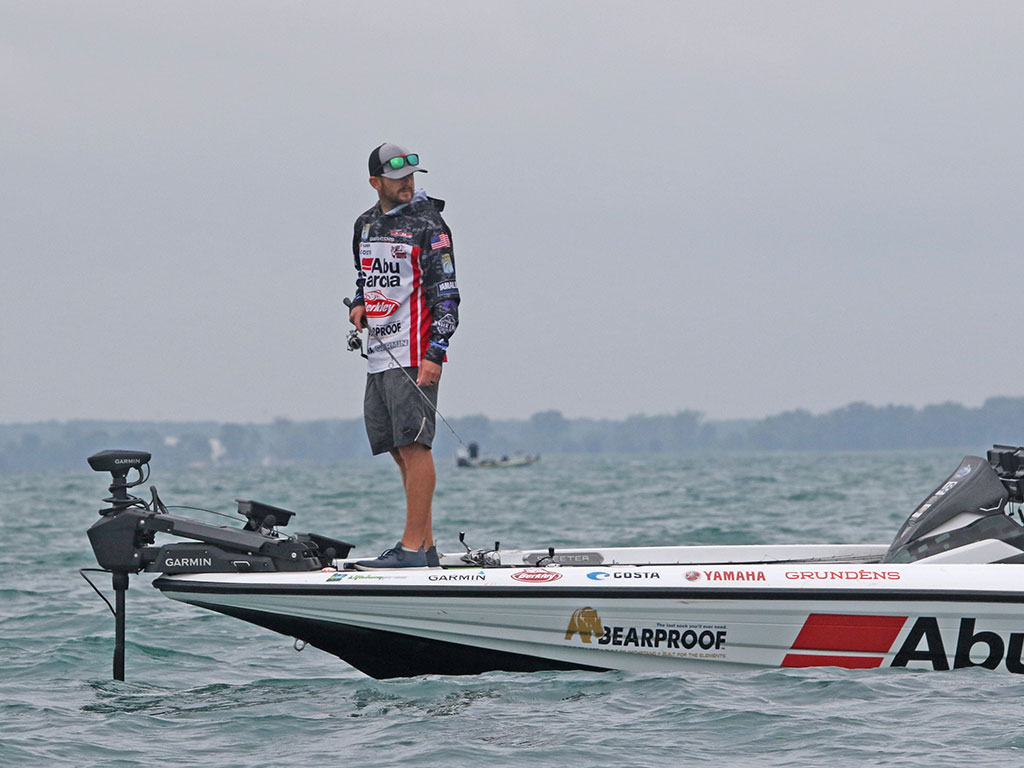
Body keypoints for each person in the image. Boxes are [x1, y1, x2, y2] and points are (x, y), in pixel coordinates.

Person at [348, 142, 460, 569]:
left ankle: (411, 549)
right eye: (397, 179)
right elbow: (364, 276)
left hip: (415, 352)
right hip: (379, 354)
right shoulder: (364, 225)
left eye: (411, 177)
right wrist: (361, 302)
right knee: (397, 448)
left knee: (415, 446)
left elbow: (446, 294)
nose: (407, 184)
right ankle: (425, 548)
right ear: (375, 182)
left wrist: (436, 351)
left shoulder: (430, 224)